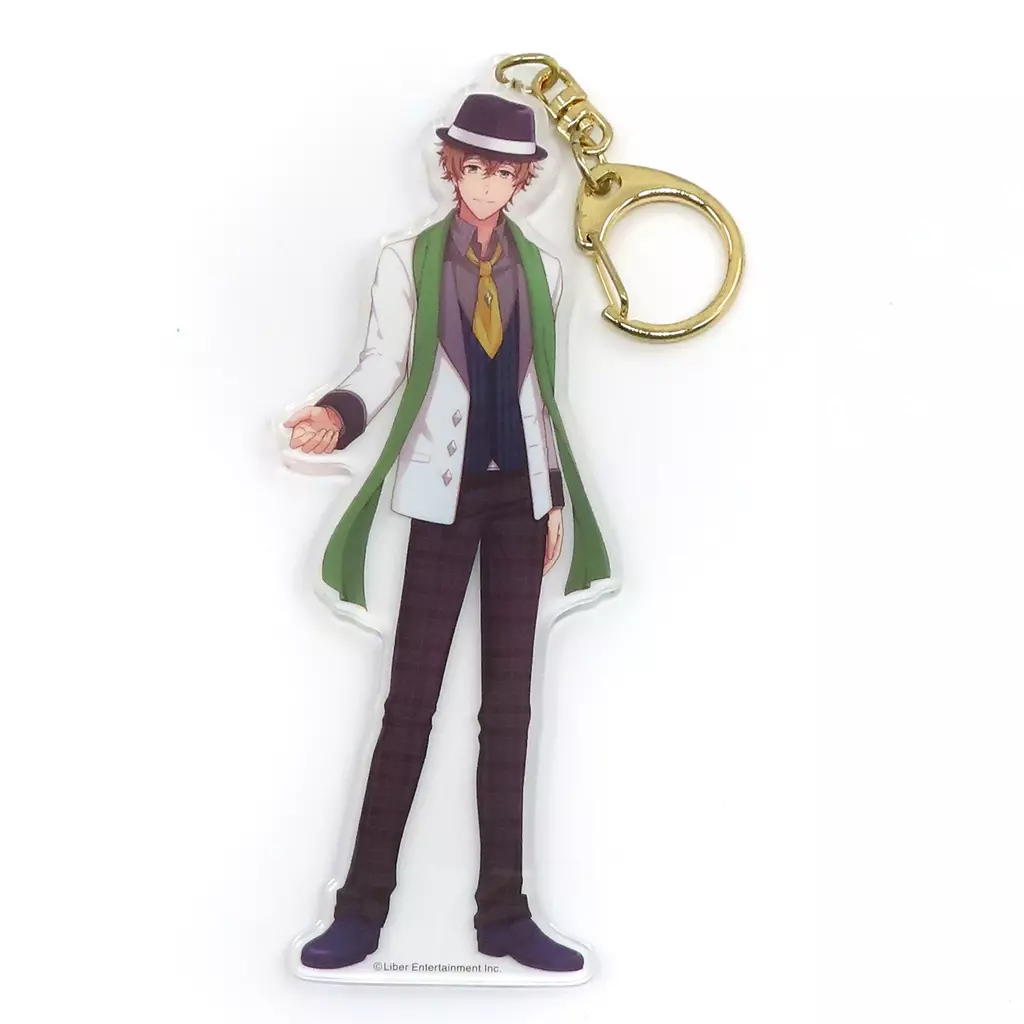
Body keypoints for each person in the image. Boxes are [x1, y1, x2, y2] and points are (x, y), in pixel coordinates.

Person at [288, 93, 610, 972]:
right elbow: (384, 361)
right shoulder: (408, 259)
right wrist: (336, 414)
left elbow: (545, 395)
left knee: (511, 709)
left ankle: (505, 916)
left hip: (520, 503)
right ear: (452, 169)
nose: (487, 185)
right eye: (474, 168)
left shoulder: (544, 270)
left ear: (523, 180)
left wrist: (554, 498)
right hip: (442, 495)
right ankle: (360, 912)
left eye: (504, 173)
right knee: (410, 704)